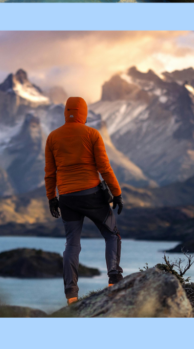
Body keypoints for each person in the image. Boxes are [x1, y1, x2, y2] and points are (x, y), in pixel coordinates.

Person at [45, 96, 123, 304]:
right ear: (84, 113)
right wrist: (117, 193)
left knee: (72, 244)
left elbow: (50, 173)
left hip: (67, 198)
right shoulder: (92, 134)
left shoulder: (53, 137)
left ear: (66, 112)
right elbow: (104, 168)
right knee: (111, 234)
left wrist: (52, 198)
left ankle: (71, 295)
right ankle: (114, 279)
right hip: (91, 195)